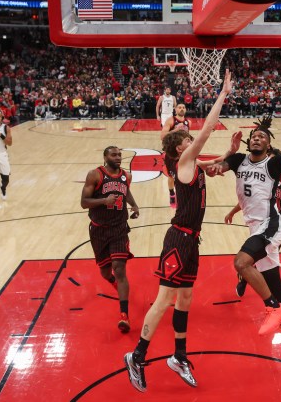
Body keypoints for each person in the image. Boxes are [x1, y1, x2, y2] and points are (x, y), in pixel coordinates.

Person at [125, 70, 235, 393]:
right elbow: (206, 132)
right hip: (178, 238)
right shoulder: (183, 160)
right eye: (187, 139)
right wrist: (223, 94)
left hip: (191, 241)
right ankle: (137, 356)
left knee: (185, 297)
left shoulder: (191, 165)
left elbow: (211, 166)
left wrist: (229, 152)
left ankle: (179, 356)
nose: (191, 138)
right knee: (164, 300)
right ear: (178, 150)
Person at [207, 101, 281, 355]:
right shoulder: (238, 160)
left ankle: (273, 308)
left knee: (241, 263)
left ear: (268, 145)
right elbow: (215, 169)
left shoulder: (272, 165)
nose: (257, 138)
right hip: (255, 228)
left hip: (271, 225)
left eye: (262, 137)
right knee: (273, 281)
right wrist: (222, 161)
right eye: (254, 136)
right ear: (249, 142)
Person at [224, 146, 281, 301]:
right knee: (254, 259)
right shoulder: (260, 177)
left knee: (259, 260)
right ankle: (247, 280)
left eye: (272, 160)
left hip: (274, 225)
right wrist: (232, 212)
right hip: (259, 223)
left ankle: (266, 286)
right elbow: (246, 201)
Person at [80, 146, 140, 333]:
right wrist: (104, 201)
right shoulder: (95, 175)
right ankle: (114, 283)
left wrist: (134, 205)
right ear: (105, 157)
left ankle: (124, 316)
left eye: (120, 155)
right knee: (106, 273)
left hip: (119, 229)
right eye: (114, 155)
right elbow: (84, 202)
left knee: (119, 268)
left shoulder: (126, 176)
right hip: (98, 230)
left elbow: (126, 191)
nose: (118, 157)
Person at [160, 103, 191, 208]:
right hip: (171, 153)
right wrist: (175, 130)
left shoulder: (188, 122)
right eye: (179, 107)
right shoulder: (171, 120)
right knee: (172, 176)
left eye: (183, 107)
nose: (182, 109)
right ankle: (172, 194)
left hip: (184, 153)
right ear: (175, 109)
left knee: (183, 175)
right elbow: (162, 136)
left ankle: (182, 195)